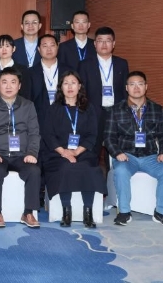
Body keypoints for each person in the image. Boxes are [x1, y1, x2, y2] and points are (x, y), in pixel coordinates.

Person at [105, 71, 163, 227]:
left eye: (140, 84)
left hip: (150, 156)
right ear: (126, 88)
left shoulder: (157, 109)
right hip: (126, 156)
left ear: (146, 87)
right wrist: (117, 153)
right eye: (132, 84)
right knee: (121, 171)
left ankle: (162, 212)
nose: (136, 88)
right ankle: (124, 212)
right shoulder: (115, 110)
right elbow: (109, 137)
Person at [41, 71, 105, 228]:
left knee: (87, 168)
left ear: (79, 86)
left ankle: (88, 212)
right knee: (66, 167)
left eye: (73, 83)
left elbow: (92, 135)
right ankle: (66, 211)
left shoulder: (89, 108)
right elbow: (48, 135)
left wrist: (75, 152)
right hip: (58, 153)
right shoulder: (53, 109)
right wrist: (64, 152)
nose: (70, 87)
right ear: (61, 87)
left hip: (83, 152)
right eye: (66, 83)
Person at [0, 67, 41, 228]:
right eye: (4, 82)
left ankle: (28, 212)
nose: (8, 86)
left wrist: (32, 153)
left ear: (19, 86)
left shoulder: (28, 106)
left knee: (34, 171)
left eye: (13, 82)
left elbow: (34, 133)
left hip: (21, 155)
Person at [79, 26, 129, 171]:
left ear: (114, 44)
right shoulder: (85, 65)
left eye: (108, 40)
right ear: (95, 44)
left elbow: (125, 90)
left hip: (115, 113)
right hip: (93, 113)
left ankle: (112, 182)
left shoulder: (122, 64)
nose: (104, 44)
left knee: (115, 150)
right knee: (92, 150)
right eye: (100, 40)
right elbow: (82, 92)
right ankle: (92, 179)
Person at [30, 34, 73, 118]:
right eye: (45, 46)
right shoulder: (31, 72)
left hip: (65, 116)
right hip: (38, 118)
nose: (49, 49)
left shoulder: (69, 71)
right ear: (39, 49)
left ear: (57, 47)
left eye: (52, 45)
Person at [0, 35, 32, 102]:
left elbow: (26, 94)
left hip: (17, 106)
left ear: (13, 49)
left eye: (7, 46)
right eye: (0, 47)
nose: (4, 49)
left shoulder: (22, 70)